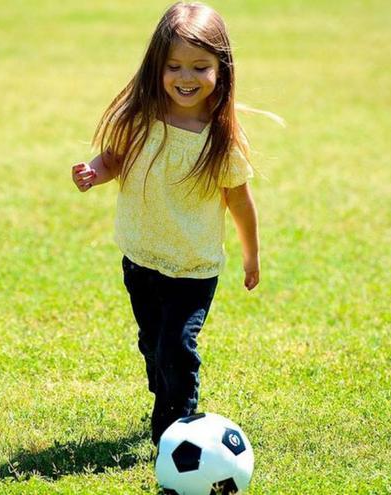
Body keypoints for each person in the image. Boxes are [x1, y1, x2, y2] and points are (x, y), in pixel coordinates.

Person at [70, 1, 260, 446]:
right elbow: (116, 158)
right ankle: (166, 395)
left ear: (221, 70)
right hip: (140, 258)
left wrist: (252, 256)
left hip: (193, 269)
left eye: (200, 67)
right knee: (153, 345)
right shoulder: (139, 120)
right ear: (157, 65)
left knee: (177, 349)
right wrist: (96, 171)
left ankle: (175, 435)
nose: (186, 77)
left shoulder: (221, 139)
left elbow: (240, 201)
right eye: (174, 66)